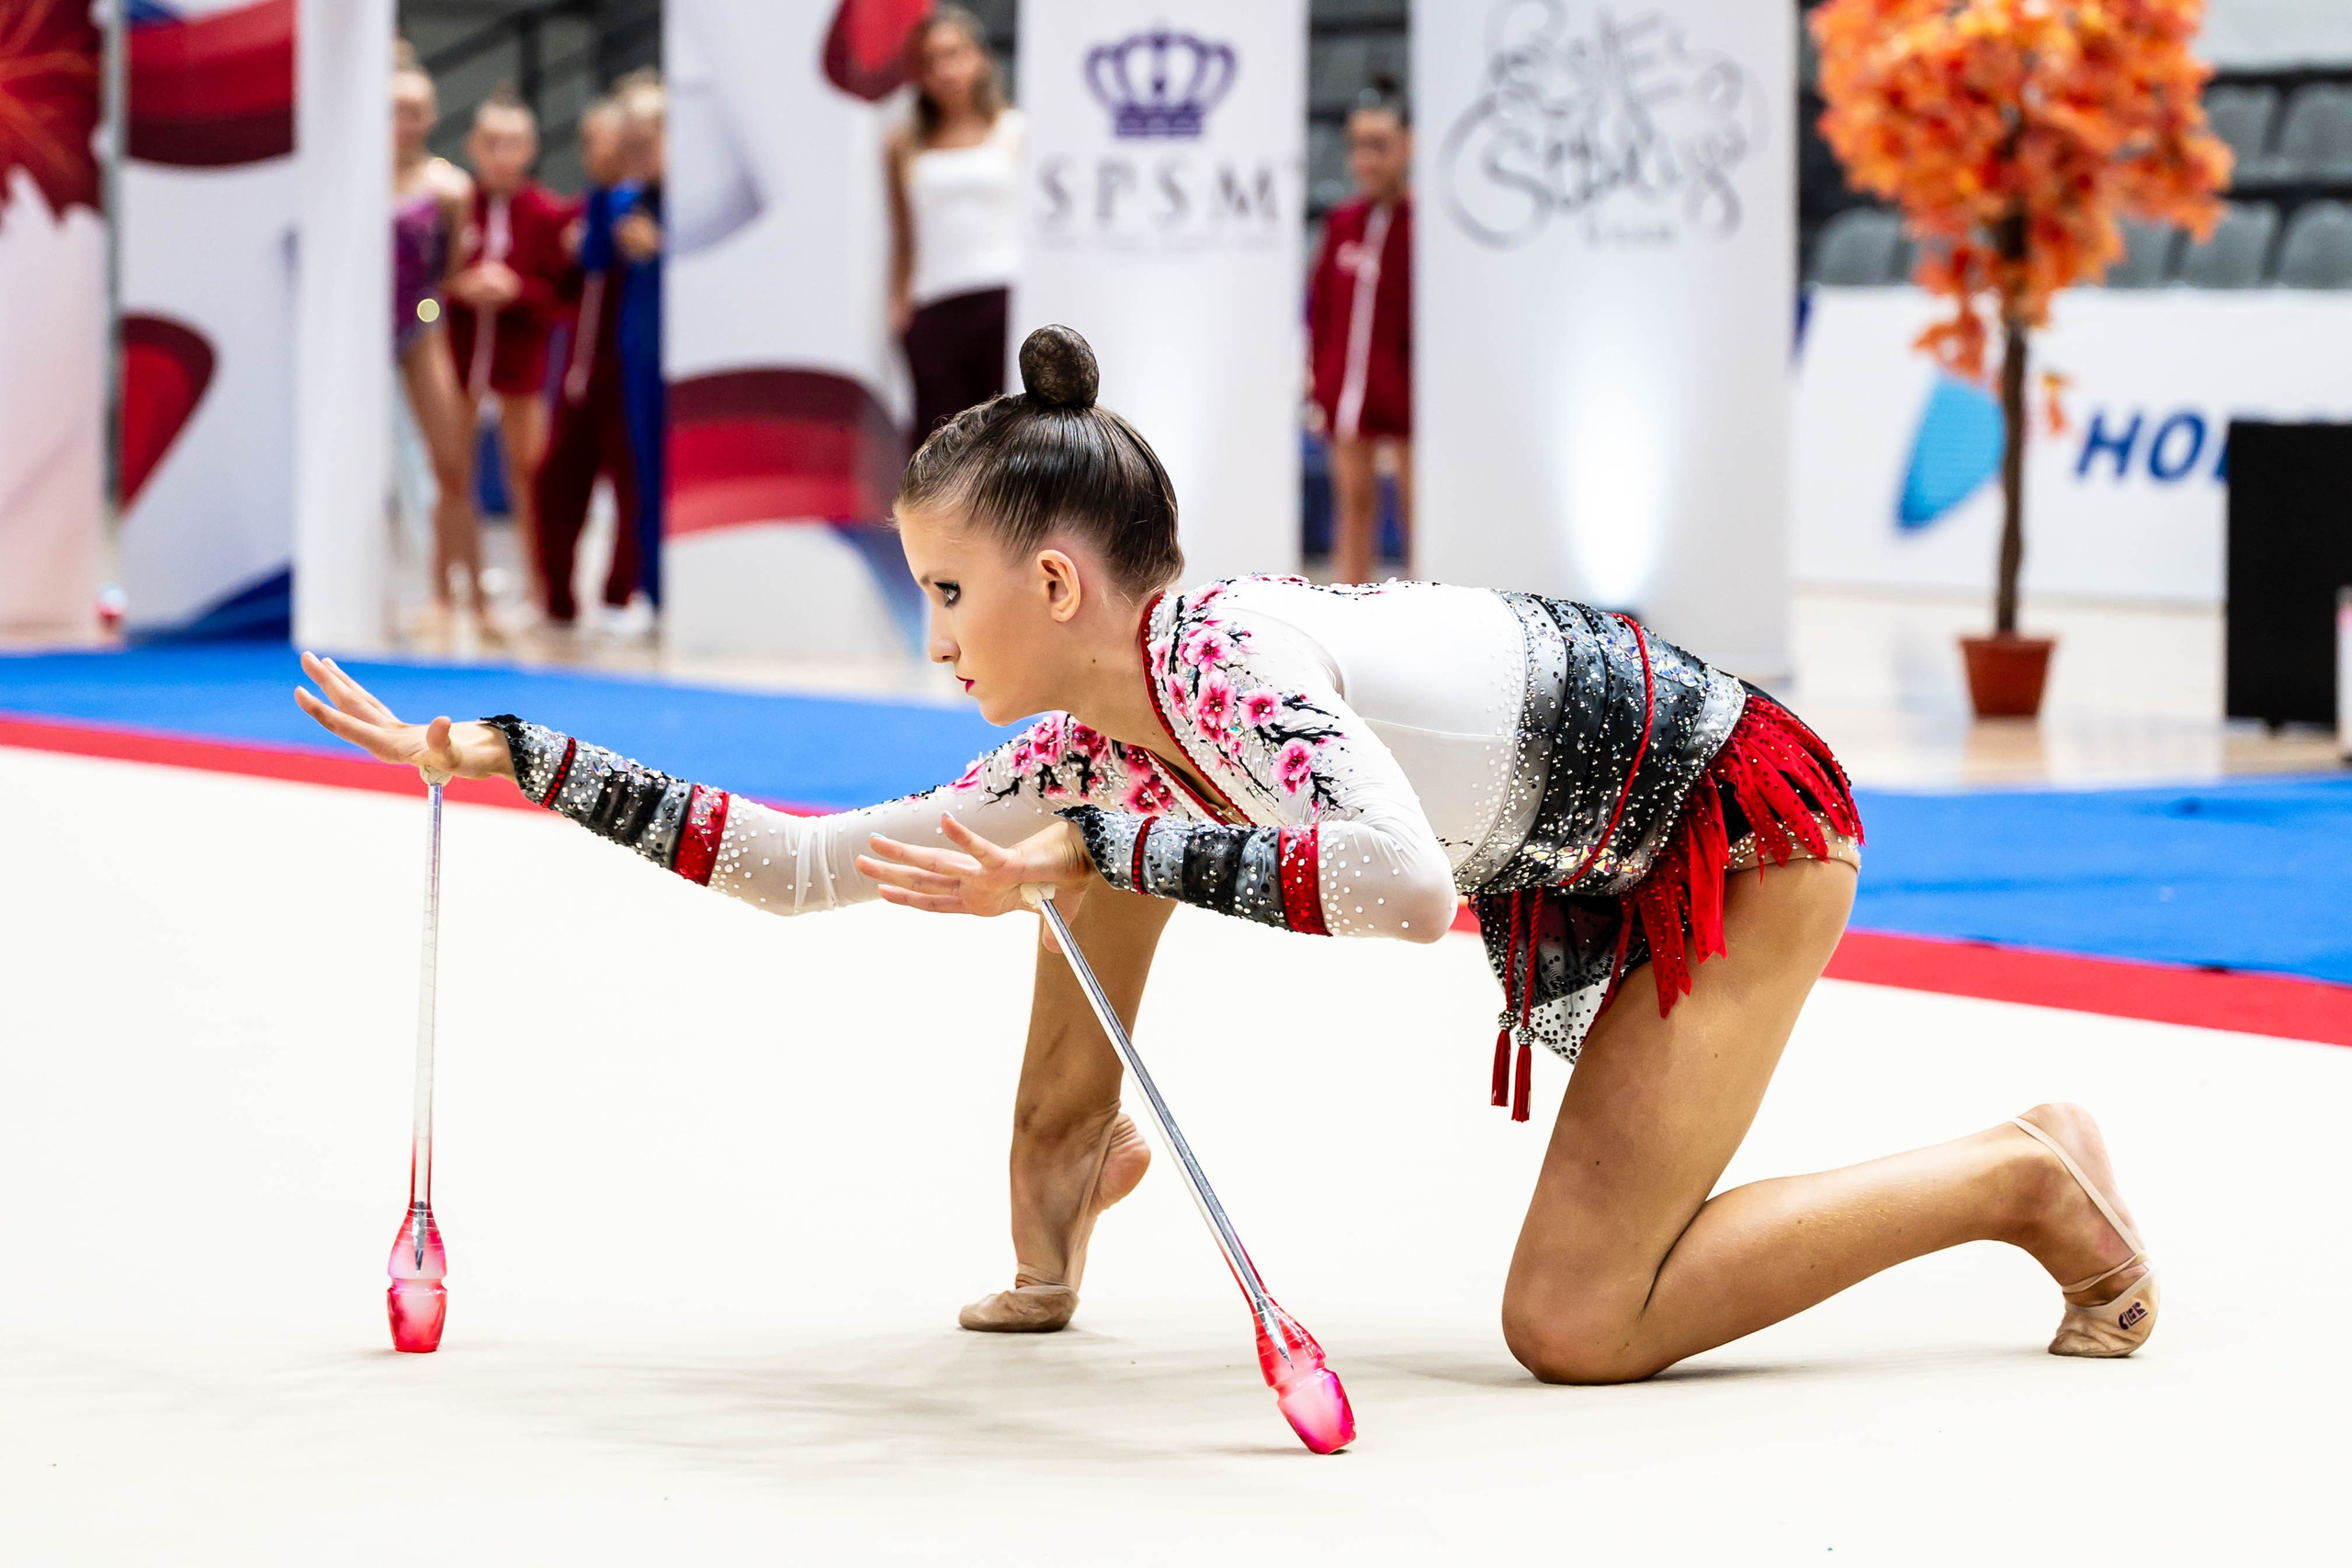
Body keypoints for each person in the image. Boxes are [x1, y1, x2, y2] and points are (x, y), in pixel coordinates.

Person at [294, 323, 2159, 1385]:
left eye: (946, 593)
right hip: (1584, 845)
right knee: (1573, 1293)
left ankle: (2013, 1179)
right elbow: (798, 864)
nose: (933, 638)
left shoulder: (1224, 659)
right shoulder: (1089, 734)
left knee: (1581, 1322)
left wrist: (1095, 841)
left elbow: (1399, 889)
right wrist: (518, 753)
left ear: (1051, 577)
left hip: (1730, 829)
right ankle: (1056, 1174)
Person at [444, 87, 571, 615]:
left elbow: (563, 300)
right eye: (492, 142)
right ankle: (458, 591)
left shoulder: (547, 213)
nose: (502, 154)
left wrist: (517, 290)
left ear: (531, 149)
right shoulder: (453, 206)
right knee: (453, 471)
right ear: (474, 146)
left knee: (529, 471)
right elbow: (426, 296)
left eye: (513, 143)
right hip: (458, 356)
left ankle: (540, 589)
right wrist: (457, 290)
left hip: (521, 361)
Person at [391, 50, 492, 643]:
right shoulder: (351, 179)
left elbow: (447, 275)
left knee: (451, 461)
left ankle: (455, 591)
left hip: (421, 319)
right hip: (354, 329)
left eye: (415, 111)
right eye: (394, 110)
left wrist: (458, 293)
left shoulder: (448, 188)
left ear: (430, 116)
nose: (405, 121)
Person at [887, 6, 1022, 441]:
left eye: (955, 54)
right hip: (936, 304)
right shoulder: (903, 145)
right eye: (931, 60)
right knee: (941, 445)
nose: (945, 70)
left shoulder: (1014, 132)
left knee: (1005, 440)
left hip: (1002, 300)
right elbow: (904, 233)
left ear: (980, 57)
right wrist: (898, 304)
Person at [533, 97, 642, 632]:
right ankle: (557, 598)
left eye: (609, 138)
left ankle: (622, 596)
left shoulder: (640, 205)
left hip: (627, 367)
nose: (598, 150)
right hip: (578, 370)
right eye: (590, 139)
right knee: (556, 478)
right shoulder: (578, 211)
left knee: (632, 481)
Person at [1306, 82, 1414, 586]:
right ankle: (1349, 603)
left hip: (1410, 393)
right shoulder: (1342, 222)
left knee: (1418, 507)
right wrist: (1319, 380)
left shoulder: (1422, 224)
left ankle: (1428, 604)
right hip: (1348, 389)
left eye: (1380, 146)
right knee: (1352, 502)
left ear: (1407, 146)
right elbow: (1322, 309)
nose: (1366, 160)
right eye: (1357, 147)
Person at [610, 74, 669, 616]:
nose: (633, 156)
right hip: (641, 352)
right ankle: (656, 595)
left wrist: (665, 247)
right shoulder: (625, 201)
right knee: (646, 477)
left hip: (689, 361)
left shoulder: (693, 201)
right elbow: (590, 258)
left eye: (642, 143)